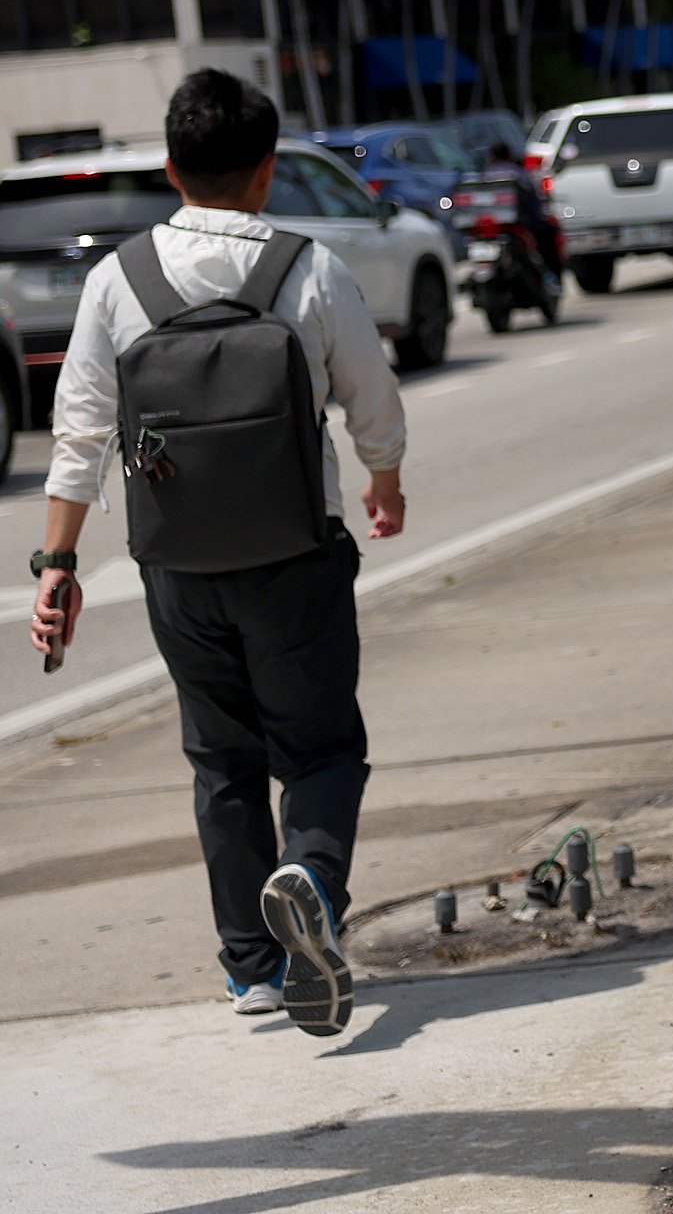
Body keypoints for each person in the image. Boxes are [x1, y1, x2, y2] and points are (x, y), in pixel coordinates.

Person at [25, 70, 407, 1038]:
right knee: (320, 743)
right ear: (268, 170)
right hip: (295, 554)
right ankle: (313, 878)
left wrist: (57, 566)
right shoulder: (305, 267)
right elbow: (373, 397)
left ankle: (252, 966)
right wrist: (383, 479)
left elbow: (78, 433)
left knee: (219, 754)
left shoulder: (121, 279)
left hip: (176, 568)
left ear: (170, 168)